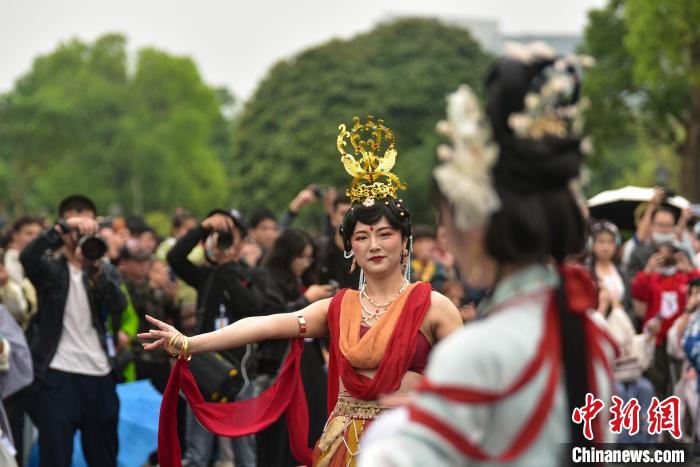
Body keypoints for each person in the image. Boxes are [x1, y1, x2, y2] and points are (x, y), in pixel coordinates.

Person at [140, 116, 463, 467]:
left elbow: (469, 386)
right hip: (345, 449)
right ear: (349, 248)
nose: (374, 245)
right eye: (361, 237)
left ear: (404, 243)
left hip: (409, 446)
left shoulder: (434, 307)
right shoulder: (338, 307)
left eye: (384, 234)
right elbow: (265, 324)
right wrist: (189, 343)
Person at [359, 46, 615, 465]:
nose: (444, 236)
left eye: (447, 219)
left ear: (477, 225)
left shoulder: (477, 352)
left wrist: (396, 427)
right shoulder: (593, 333)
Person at [167, 208, 285, 467]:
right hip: (207, 370)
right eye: (218, 236)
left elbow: (253, 307)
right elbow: (174, 257)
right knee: (197, 453)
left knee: (245, 452)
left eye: (230, 237)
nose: (224, 242)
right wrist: (203, 228)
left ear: (242, 242)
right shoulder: (205, 275)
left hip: (241, 372)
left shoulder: (252, 275)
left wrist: (229, 266)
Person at [20, 194, 127, 467]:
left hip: (100, 373)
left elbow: (118, 305)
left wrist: (96, 268)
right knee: (55, 457)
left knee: (104, 457)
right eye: (74, 223)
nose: (81, 231)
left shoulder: (102, 269)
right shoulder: (50, 268)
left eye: (87, 221)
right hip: (57, 375)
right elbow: (28, 257)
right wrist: (57, 233)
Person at [258, 227, 334, 466]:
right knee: (288, 426)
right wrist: (306, 300)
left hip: (310, 357)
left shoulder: (304, 278)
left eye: (309, 257)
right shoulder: (268, 277)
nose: (304, 263)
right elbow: (270, 318)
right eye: (300, 256)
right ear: (287, 254)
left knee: (316, 415)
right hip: (283, 359)